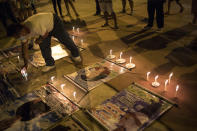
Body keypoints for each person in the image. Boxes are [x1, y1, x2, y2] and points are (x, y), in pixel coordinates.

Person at [7, 13, 82, 72]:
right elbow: (25, 49)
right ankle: (50, 64)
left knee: (64, 39)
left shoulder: (35, 26)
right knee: (44, 46)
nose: (19, 37)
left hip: (54, 22)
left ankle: (75, 54)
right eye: (17, 37)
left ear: (21, 30)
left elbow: (45, 34)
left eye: (18, 35)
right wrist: (26, 64)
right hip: (44, 28)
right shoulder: (21, 34)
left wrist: (39, 39)